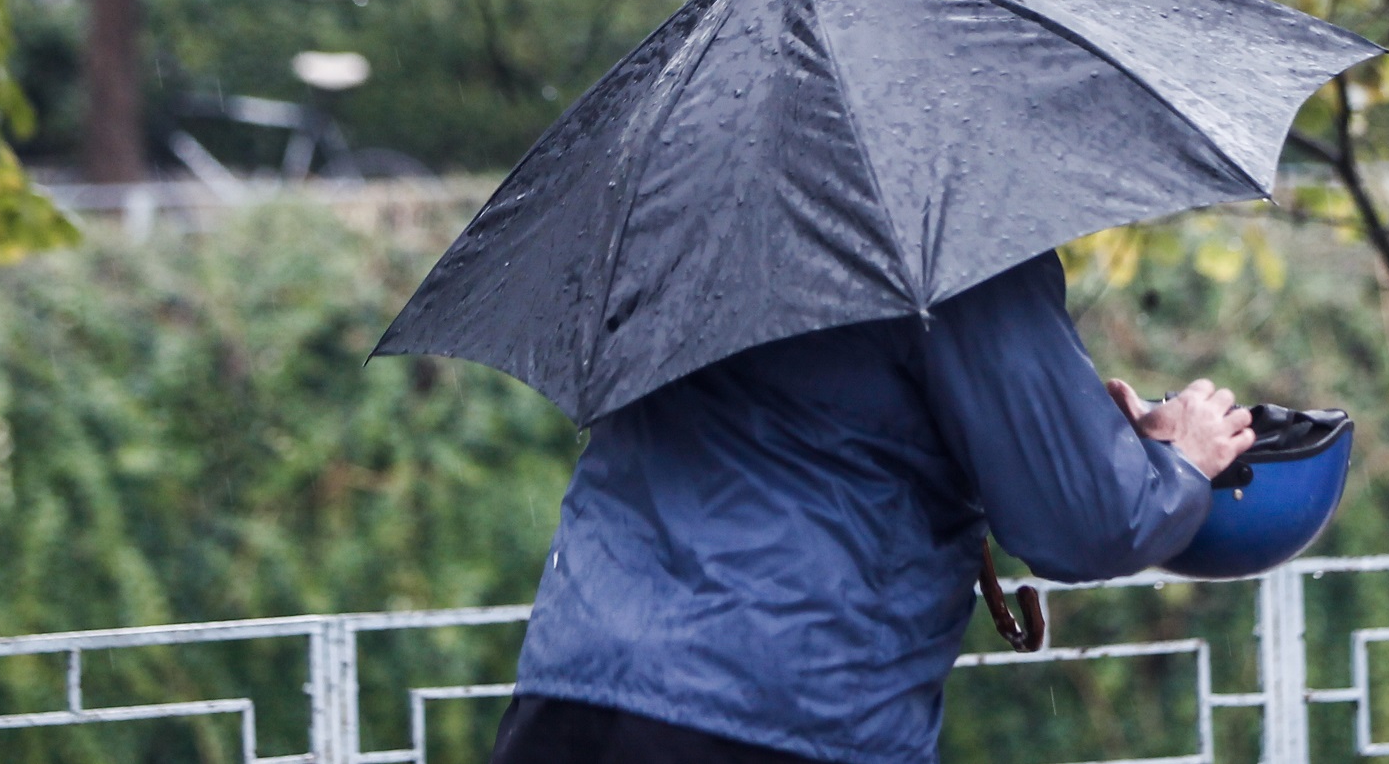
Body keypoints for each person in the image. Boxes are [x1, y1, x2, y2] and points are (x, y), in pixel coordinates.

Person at [489, 250, 1256, 764]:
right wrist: (1177, 459)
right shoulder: (951, 237)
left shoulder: (683, 224)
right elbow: (1089, 522)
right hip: (787, 709)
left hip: (570, 690)